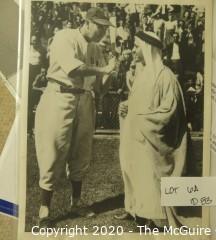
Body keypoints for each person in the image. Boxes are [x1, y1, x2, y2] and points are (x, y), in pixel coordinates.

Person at [34, 7, 116, 227]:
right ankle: (45, 209)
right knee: (54, 149)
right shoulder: (65, 36)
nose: (102, 32)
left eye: (105, 28)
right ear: (87, 22)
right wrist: (103, 69)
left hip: (85, 100)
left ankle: (76, 202)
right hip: (60, 95)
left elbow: (100, 90)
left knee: (82, 152)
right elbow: (72, 70)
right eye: (99, 26)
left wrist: (111, 72)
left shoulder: (97, 50)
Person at [116, 31, 190, 227]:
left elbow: (170, 112)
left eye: (136, 46)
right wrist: (127, 106)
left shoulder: (166, 77)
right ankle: (139, 212)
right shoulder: (144, 74)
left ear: (148, 49)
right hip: (138, 138)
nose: (133, 50)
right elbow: (138, 103)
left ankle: (154, 216)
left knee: (150, 176)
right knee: (133, 169)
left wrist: (142, 121)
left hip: (152, 140)